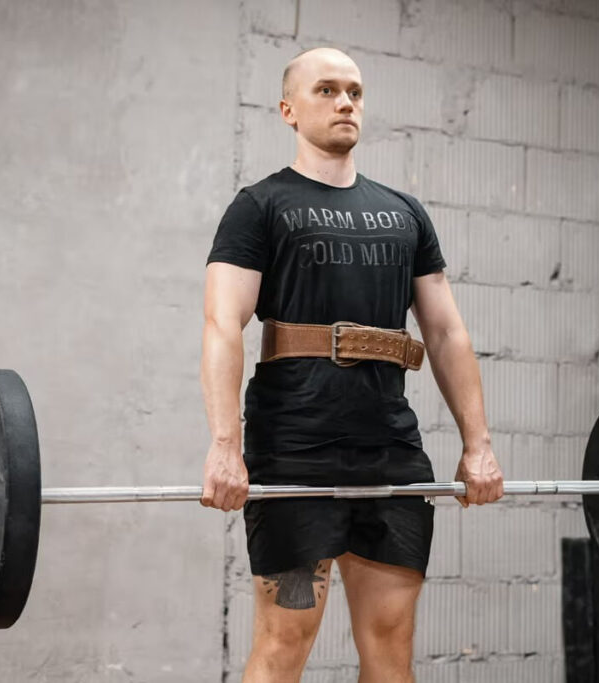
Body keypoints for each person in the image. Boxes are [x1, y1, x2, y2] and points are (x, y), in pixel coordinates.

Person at [201, 46, 503, 683]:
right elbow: (222, 324)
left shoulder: (405, 213)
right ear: (288, 109)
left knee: (391, 650)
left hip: (389, 451)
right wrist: (226, 446)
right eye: (327, 90)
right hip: (294, 450)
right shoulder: (259, 207)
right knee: (285, 644)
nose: (345, 102)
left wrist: (479, 444)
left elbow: (446, 333)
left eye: (356, 92)